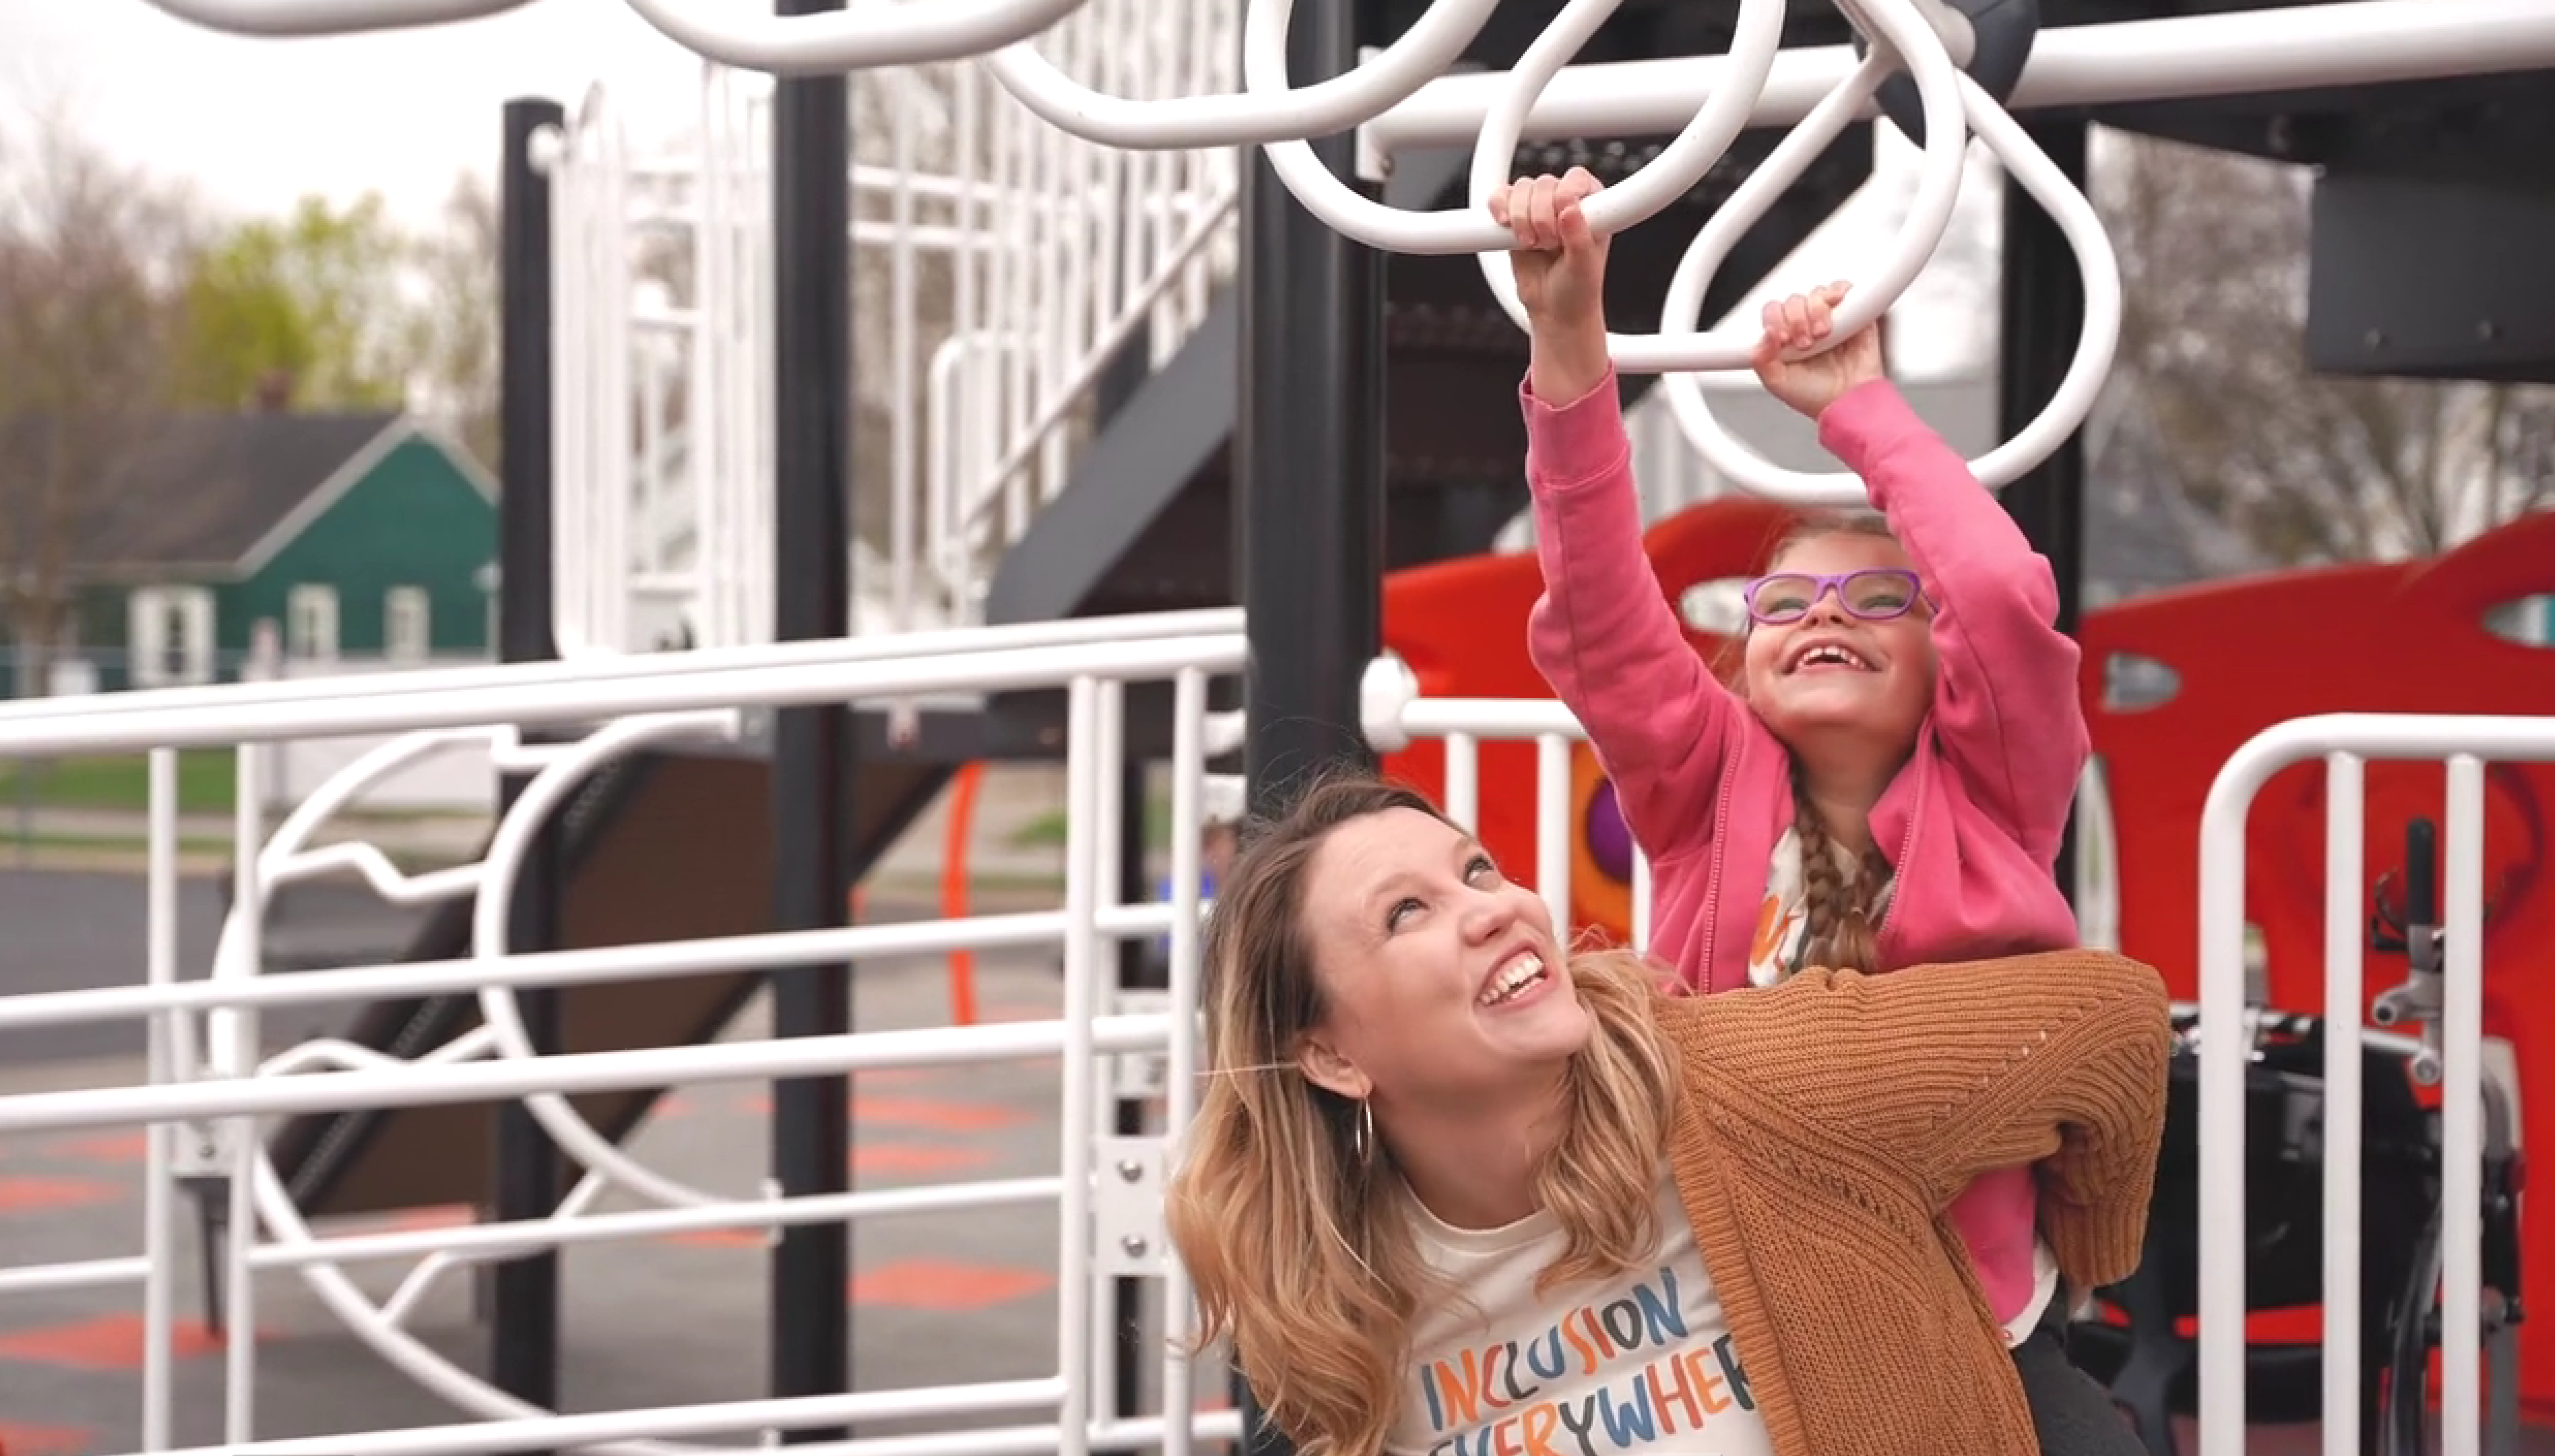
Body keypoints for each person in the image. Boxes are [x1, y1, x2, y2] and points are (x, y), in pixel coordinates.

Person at [1489, 167, 2102, 1426]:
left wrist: (1861, 412)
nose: (1824, 613)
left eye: (1879, 600)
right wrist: (1567, 341)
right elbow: (1601, 613)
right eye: (1783, 604)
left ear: (1943, 669)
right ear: (1748, 660)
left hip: (1964, 1308)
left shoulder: (1995, 794)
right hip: (1739, 1301)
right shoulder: (1707, 785)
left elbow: (1991, 593)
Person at [1164, 774, 2168, 1456]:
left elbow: (2109, 1022)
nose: (1495, 907)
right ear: (1331, 1054)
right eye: (1406, 912)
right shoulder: (1336, 1294)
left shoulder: (1754, 1085)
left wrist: (2063, 1287)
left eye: (1476, 869)